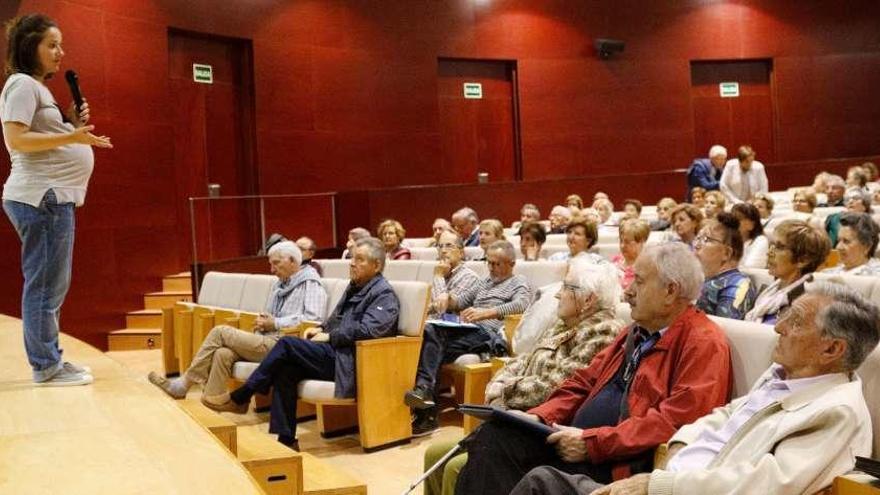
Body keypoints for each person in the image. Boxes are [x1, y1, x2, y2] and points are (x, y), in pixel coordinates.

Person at [511, 282, 879, 495]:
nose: (779, 327)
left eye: (795, 322)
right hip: (669, 479)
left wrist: (658, 485)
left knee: (543, 484)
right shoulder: (783, 377)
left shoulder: (835, 411)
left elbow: (764, 484)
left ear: (832, 349)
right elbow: (725, 415)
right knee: (528, 464)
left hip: (674, 491)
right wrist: (680, 446)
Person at [454, 243, 732, 494]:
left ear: (670, 291)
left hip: (617, 461)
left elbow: (675, 422)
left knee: (542, 480)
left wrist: (592, 443)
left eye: (639, 281)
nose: (628, 290)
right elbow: (584, 381)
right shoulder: (636, 332)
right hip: (573, 440)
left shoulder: (703, 342)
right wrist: (539, 417)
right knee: (497, 436)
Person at [422, 258, 623, 495]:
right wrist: (499, 384)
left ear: (588, 300)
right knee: (434, 454)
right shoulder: (563, 325)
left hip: (546, 431)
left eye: (566, 288)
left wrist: (506, 391)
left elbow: (558, 385)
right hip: (517, 419)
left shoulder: (603, 332)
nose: (558, 295)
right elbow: (522, 361)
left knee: (455, 466)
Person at [203, 237, 400, 449]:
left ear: (376, 265)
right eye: (352, 258)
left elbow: (370, 330)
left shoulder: (384, 294)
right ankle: (286, 440)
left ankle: (243, 395)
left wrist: (331, 336)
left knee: (287, 344)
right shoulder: (355, 286)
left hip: (350, 361)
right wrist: (322, 328)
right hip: (334, 353)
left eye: (359, 259)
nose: (351, 263)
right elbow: (334, 320)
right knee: (286, 369)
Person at [2, 14, 113, 386]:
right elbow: (17, 140)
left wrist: (67, 124)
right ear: (28, 46)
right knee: (46, 285)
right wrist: (72, 138)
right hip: (42, 196)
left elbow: (39, 135)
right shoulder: (21, 84)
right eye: (51, 44)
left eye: (60, 44)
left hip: (49, 196)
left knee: (51, 284)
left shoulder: (35, 88)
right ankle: (47, 366)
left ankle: (49, 361)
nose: (59, 52)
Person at [147, 241, 326, 400]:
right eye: (270, 264)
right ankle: (212, 403)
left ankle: (184, 383)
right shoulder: (280, 285)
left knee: (220, 332)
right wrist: (263, 321)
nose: (272, 270)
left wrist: (276, 323)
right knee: (222, 353)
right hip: (267, 338)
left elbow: (313, 319)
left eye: (276, 264)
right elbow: (272, 315)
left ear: (293, 261)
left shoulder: (311, 284)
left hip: (286, 345)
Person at [405, 240, 532, 435]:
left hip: (488, 334)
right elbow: (461, 301)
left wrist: (487, 312)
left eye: (497, 264)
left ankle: (426, 410)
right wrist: (449, 298)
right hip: (468, 330)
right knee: (429, 340)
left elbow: (521, 305)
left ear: (512, 264)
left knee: (432, 340)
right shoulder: (485, 281)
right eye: (489, 263)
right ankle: (425, 404)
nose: (492, 268)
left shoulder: (518, 282)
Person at [745, 220, 830, 324]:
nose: (769, 253)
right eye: (772, 245)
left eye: (779, 247)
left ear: (803, 260)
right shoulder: (769, 290)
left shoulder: (804, 305)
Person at [693, 213, 756, 320]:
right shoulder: (695, 278)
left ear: (727, 253)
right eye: (697, 238)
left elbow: (725, 330)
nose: (696, 245)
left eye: (706, 239)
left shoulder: (737, 284)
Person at [611, 219, 649, 290]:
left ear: (641, 242)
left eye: (627, 242)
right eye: (621, 241)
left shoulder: (648, 267)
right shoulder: (616, 261)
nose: (622, 246)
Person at [732, 202, 769, 269]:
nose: (733, 222)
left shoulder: (760, 241)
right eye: (732, 218)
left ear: (751, 224)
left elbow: (750, 268)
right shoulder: (728, 240)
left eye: (738, 218)